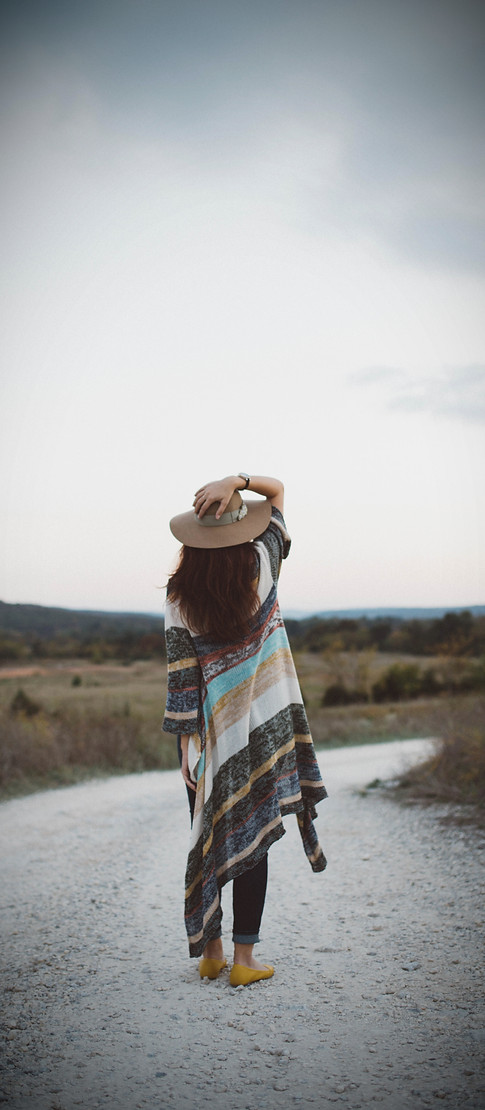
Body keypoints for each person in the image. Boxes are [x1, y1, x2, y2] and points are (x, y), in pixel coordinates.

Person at [162, 473, 327, 987]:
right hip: (265, 731)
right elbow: (277, 494)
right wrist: (239, 479)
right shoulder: (262, 563)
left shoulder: (178, 595)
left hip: (208, 739)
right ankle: (245, 960)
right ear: (240, 527)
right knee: (254, 832)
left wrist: (187, 748)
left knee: (208, 832)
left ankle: (210, 951)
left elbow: (182, 681)